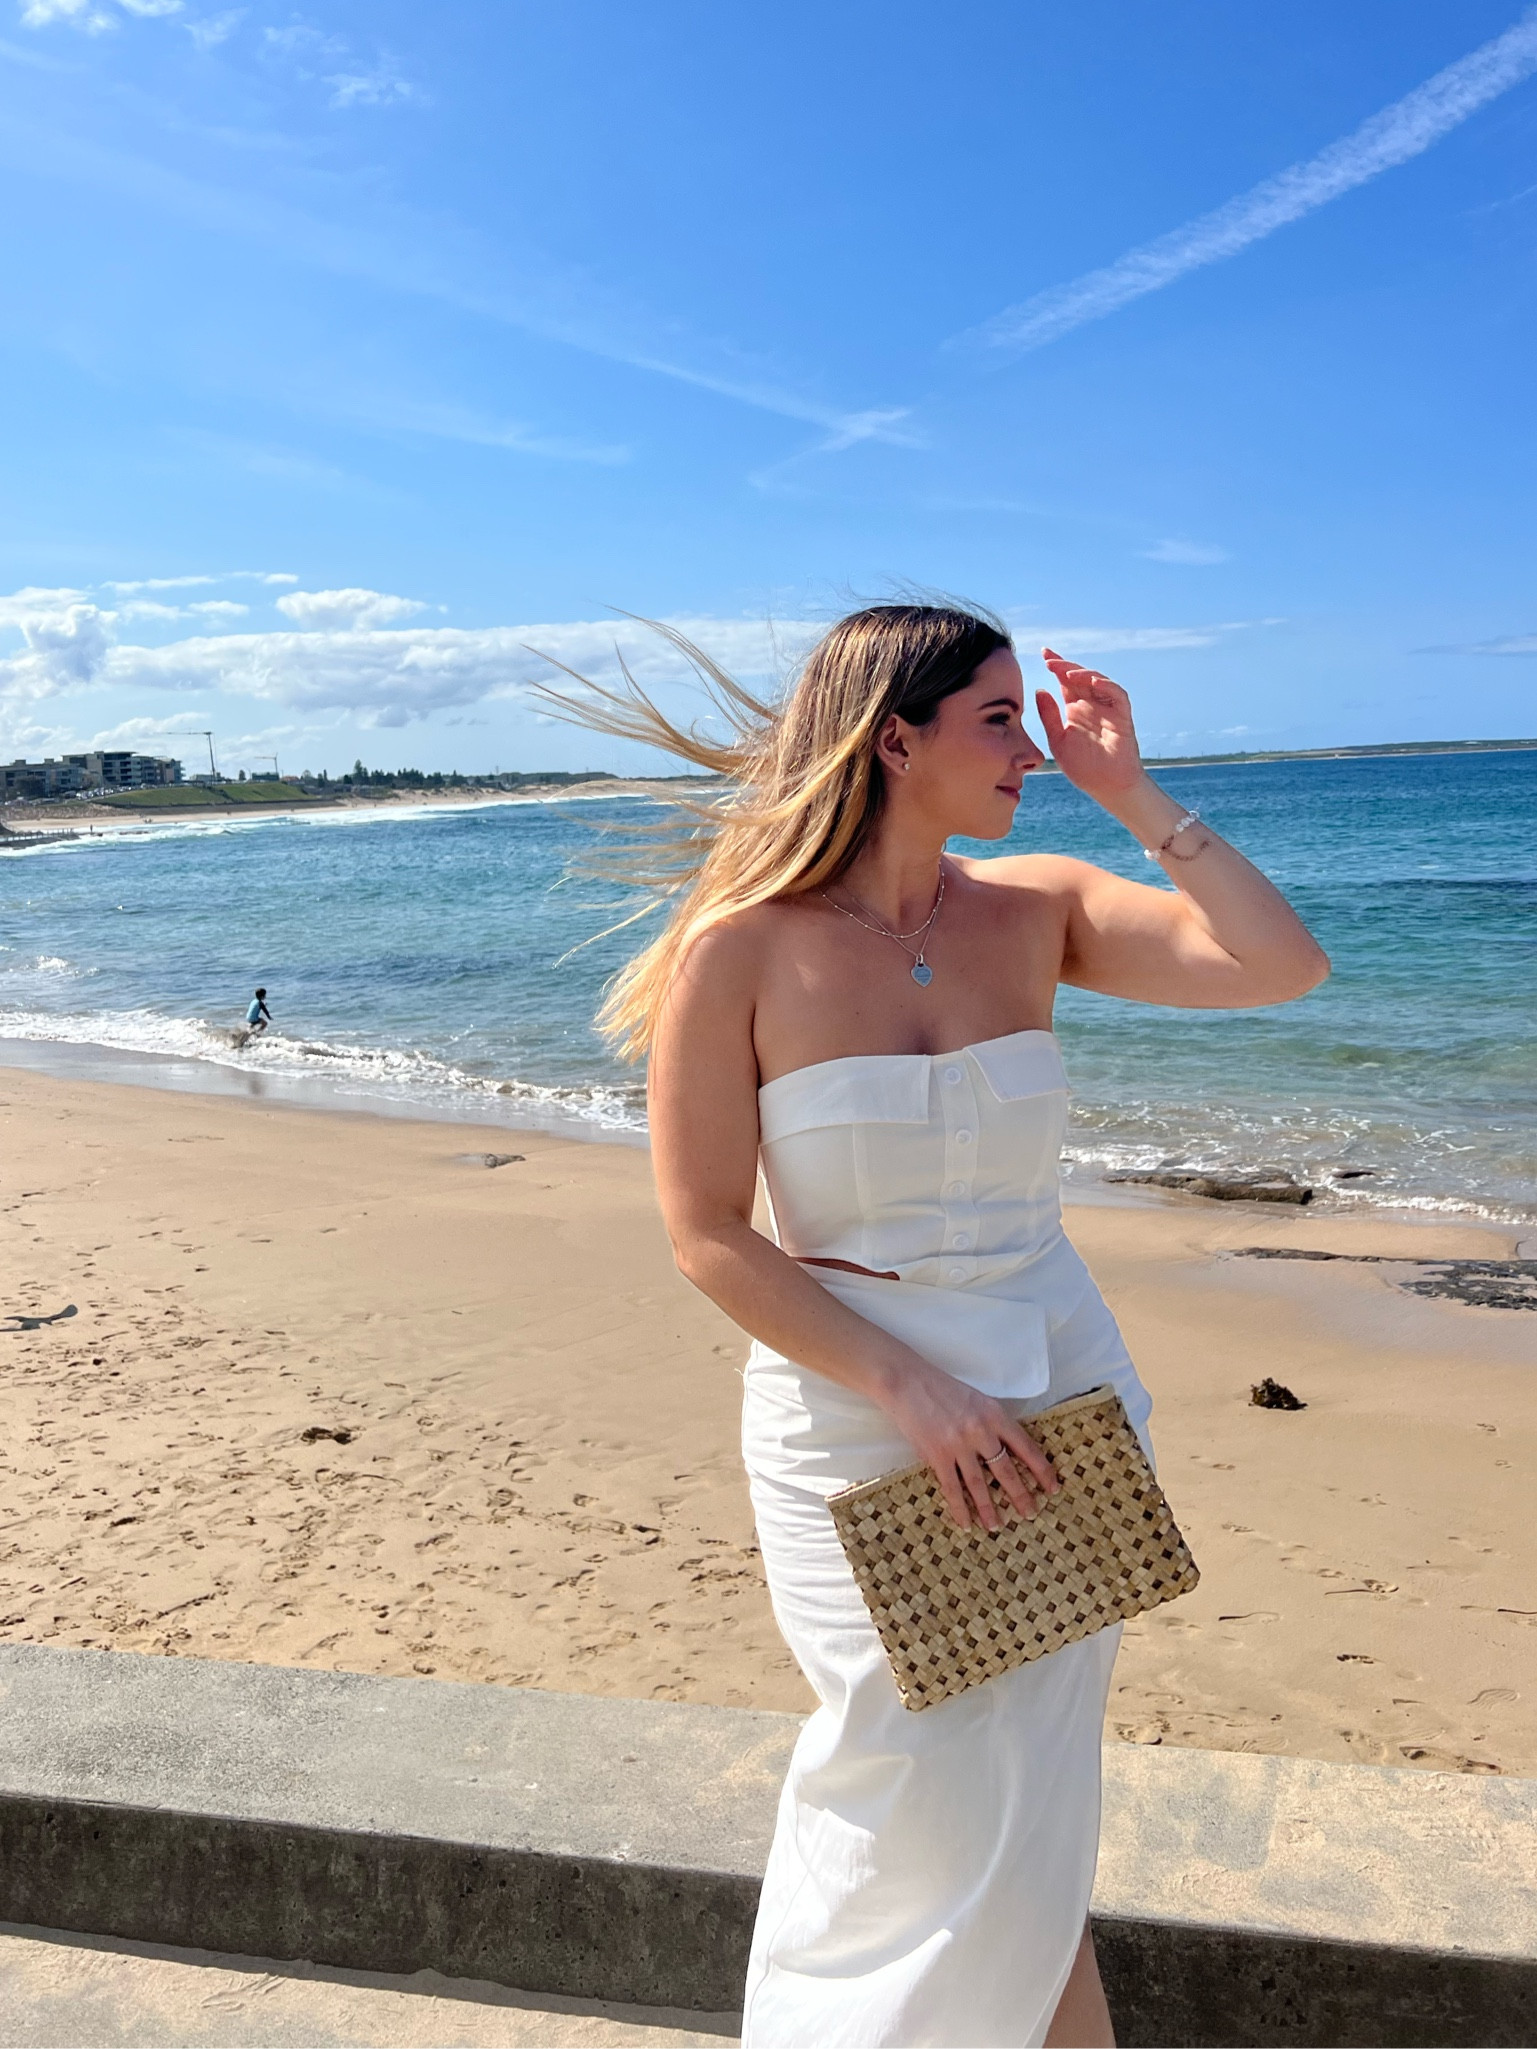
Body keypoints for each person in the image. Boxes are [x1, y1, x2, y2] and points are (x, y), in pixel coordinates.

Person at [548, 604, 1328, 2049]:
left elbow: (1281, 967)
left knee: (1029, 1790)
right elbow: (707, 1231)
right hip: (856, 1412)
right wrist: (912, 1389)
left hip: (1060, 1399)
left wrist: (1130, 791)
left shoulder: (1032, 906)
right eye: (995, 718)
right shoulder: (739, 950)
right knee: (904, 1778)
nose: (1028, 745)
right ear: (892, 739)